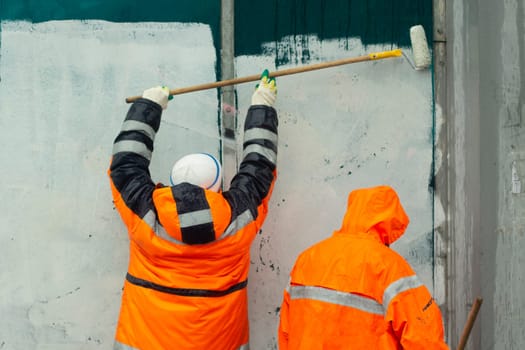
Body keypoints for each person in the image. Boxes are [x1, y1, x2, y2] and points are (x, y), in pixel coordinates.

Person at [108, 70, 278, 350]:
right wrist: (263, 104)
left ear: (172, 185)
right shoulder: (239, 221)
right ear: (218, 187)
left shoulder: (145, 215)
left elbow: (126, 164)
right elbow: (259, 168)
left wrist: (148, 106)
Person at [278, 185, 450, 349]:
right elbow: (424, 338)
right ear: (388, 222)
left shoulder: (306, 260)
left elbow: (286, 331)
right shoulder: (389, 267)